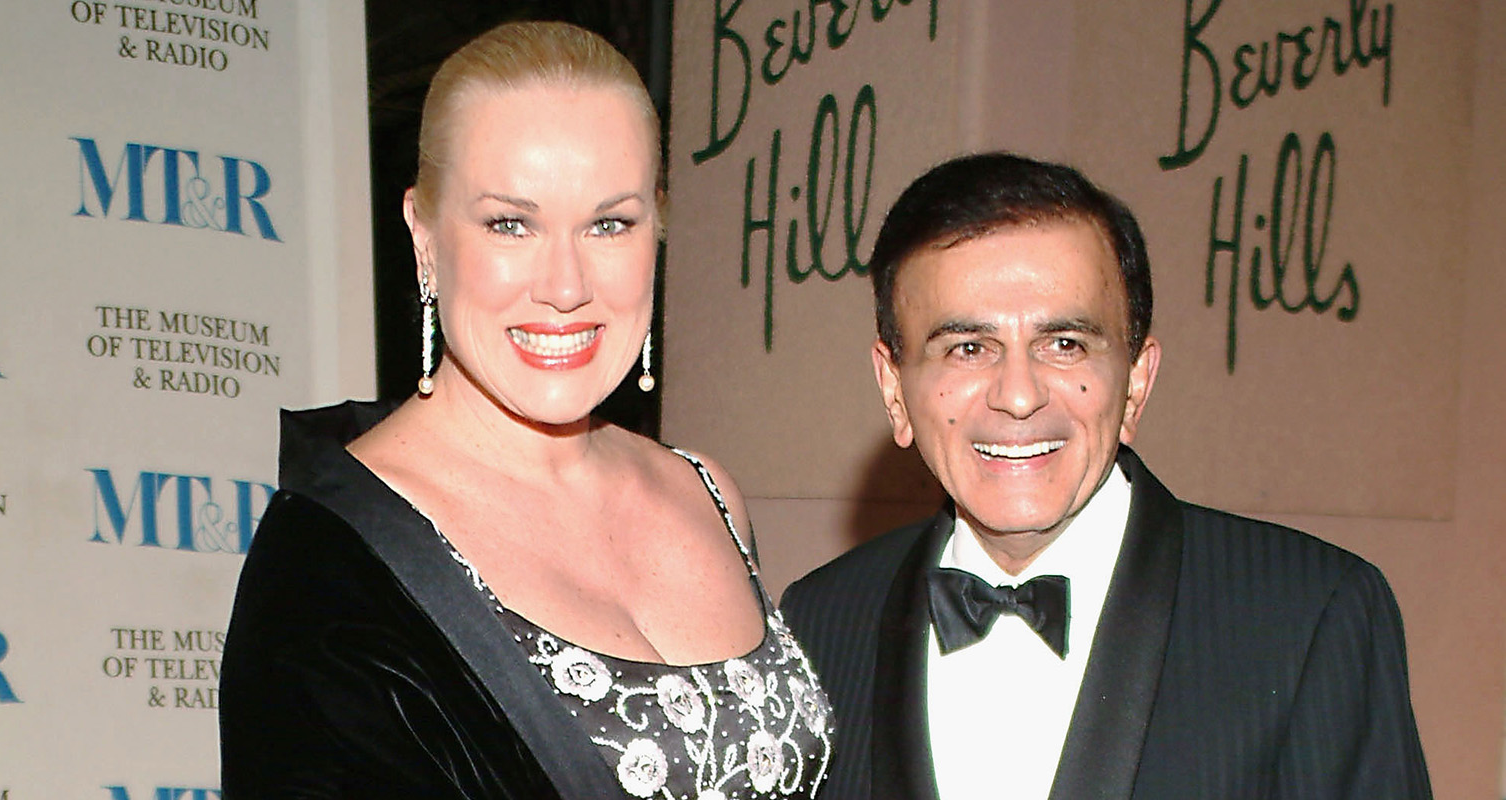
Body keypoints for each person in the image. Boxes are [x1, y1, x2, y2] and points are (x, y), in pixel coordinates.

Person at [219, 22, 832, 799]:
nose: (565, 285)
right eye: (511, 224)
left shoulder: (706, 491)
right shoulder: (329, 567)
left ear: (658, 230)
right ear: (424, 235)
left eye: (609, 224)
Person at [780, 152, 1430, 799]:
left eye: (1064, 345)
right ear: (894, 390)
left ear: (1136, 383)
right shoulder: (820, 622)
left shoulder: (1310, 614)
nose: (1018, 396)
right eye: (968, 349)